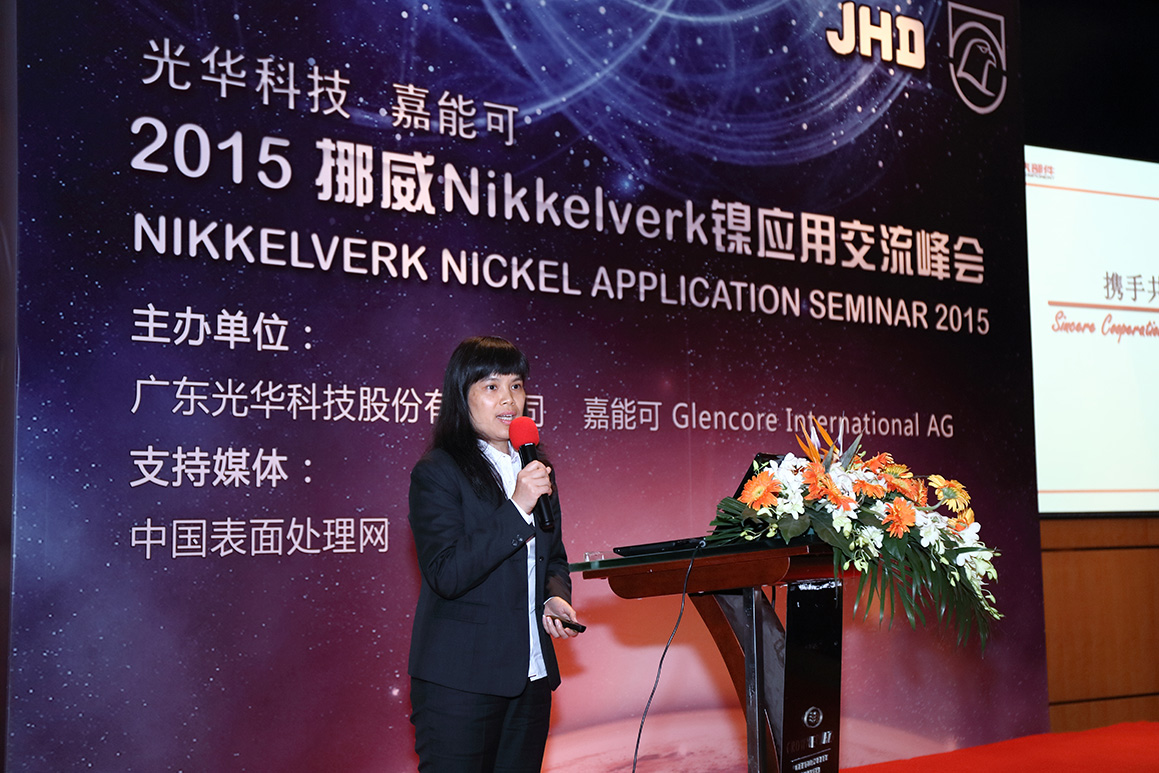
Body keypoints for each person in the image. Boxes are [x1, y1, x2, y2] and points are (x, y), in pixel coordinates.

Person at [408, 335, 581, 773]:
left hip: (531, 676)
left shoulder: (536, 469)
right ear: (460, 395)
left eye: (516, 385)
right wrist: (517, 507)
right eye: (491, 386)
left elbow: (553, 557)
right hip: (461, 682)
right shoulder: (438, 472)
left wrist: (555, 596)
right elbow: (447, 573)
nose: (508, 399)